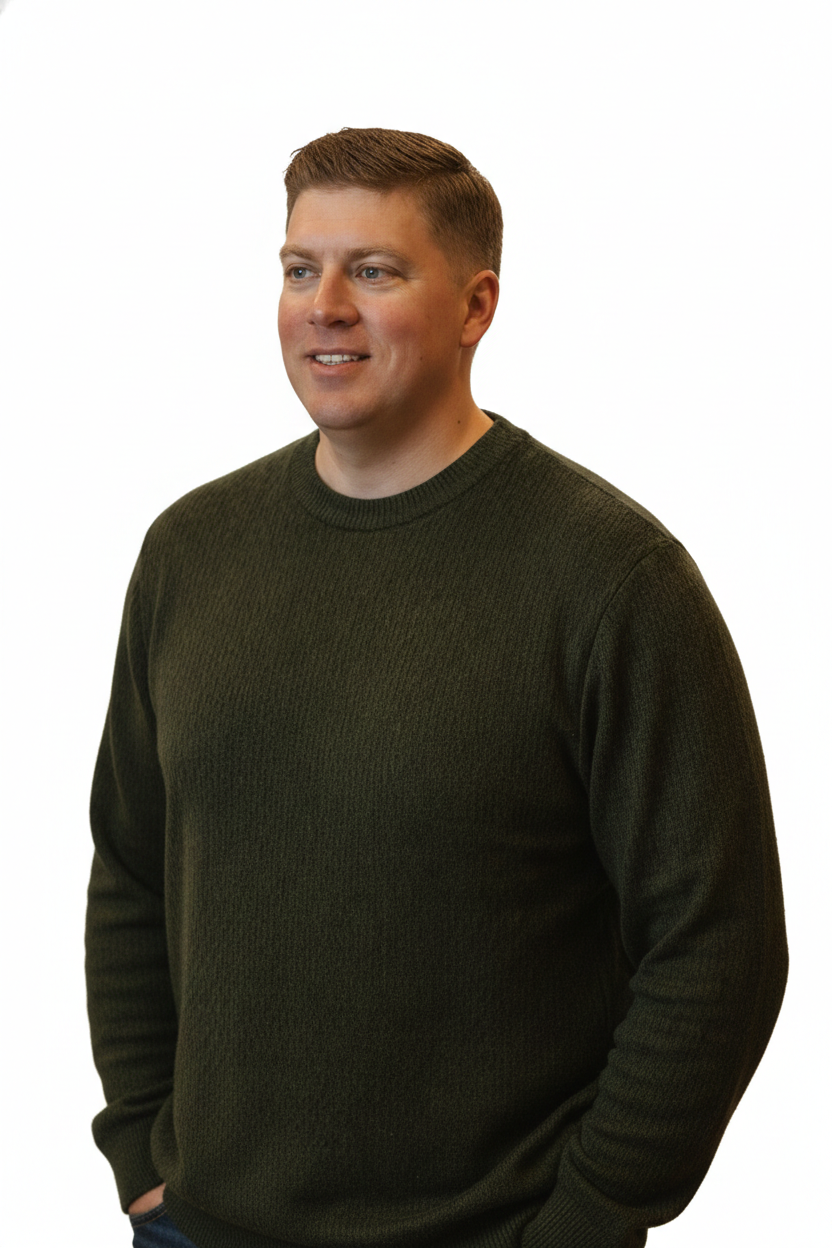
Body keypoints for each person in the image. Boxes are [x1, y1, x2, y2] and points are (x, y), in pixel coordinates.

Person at [85, 127, 788, 1248]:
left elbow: (718, 941)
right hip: (198, 1226)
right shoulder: (191, 550)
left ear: (475, 307)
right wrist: (142, 1149)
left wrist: (589, 1217)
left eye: (373, 271)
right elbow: (129, 865)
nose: (324, 305)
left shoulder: (609, 579)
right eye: (298, 268)